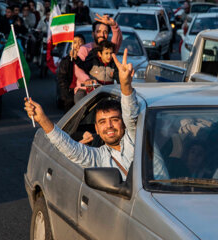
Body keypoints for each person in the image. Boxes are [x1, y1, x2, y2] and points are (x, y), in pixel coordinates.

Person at [24, 49, 137, 180]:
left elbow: (131, 114)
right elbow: (71, 149)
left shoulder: (134, 140)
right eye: (102, 122)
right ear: (96, 129)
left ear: (123, 123)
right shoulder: (99, 157)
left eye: (114, 119)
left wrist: (126, 85)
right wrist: (42, 120)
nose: (109, 126)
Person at [74, 14, 122, 103]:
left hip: (106, 90)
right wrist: (87, 80)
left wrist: (114, 25)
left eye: (105, 32)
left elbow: (118, 40)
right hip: (85, 90)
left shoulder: (109, 48)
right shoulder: (85, 49)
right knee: (80, 105)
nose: (102, 35)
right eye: (98, 31)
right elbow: (78, 69)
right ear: (93, 34)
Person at [57, 34, 85, 112]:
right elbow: (62, 78)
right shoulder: (66, 61)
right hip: (70, 93)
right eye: (75, 42)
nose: (78, 45)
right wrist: (66, 95)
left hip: (83, 91)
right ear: (71, 45)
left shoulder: (86, 59)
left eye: (80, 42)